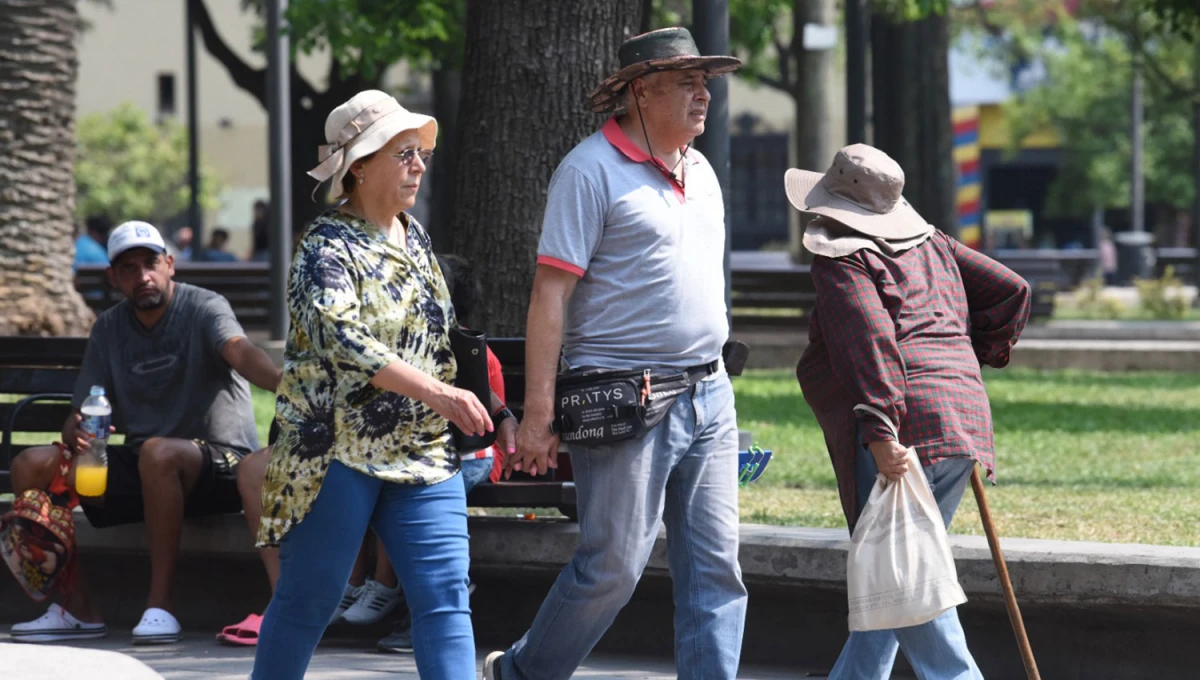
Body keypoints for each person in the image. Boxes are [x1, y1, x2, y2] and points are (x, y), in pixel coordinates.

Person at [485, 27, 747, 680]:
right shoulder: (588, 170)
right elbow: (550, 295)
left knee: (717, 568)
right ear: (640, 92)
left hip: (711, 391)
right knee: (613, 565)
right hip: (626, 397)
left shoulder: (702, 171)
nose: (703, 95)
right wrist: (538, 415)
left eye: (705, 82)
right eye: (686, 82)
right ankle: (522, 673)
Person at [251, 89, 516, 680]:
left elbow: (442, 341)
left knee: (446, 598)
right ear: (359, 167)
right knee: (308, 600)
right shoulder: (324, 246)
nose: (418, 165)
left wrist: (495, 410)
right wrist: (438, 394)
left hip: (423, 449)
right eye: (403, 153)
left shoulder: (414, 236)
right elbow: (343, 340)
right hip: (334, 450)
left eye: (421, 153)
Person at [786, 144, 1031, 680]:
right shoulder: (935, 244)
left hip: (905, 429)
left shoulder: (843, 258)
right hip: (962, 416)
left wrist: (879, 430)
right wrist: (965, 358)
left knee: (905, 579)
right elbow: (1012, 289)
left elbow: (868, 341)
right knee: (894, 570)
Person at [8, 220, 281, 645]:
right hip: (147, 468)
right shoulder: (109, 328)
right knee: (31, 464)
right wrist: (75, 429)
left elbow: (239, 350)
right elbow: (79, 412)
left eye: (151, 264)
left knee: (157, 453)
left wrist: (283, 382)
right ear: (113, 277)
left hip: (220, 464)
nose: (143, 276)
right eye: (129, 269)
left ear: (170, 264)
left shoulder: (204, 306)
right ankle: (77, 608)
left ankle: (160, 606)